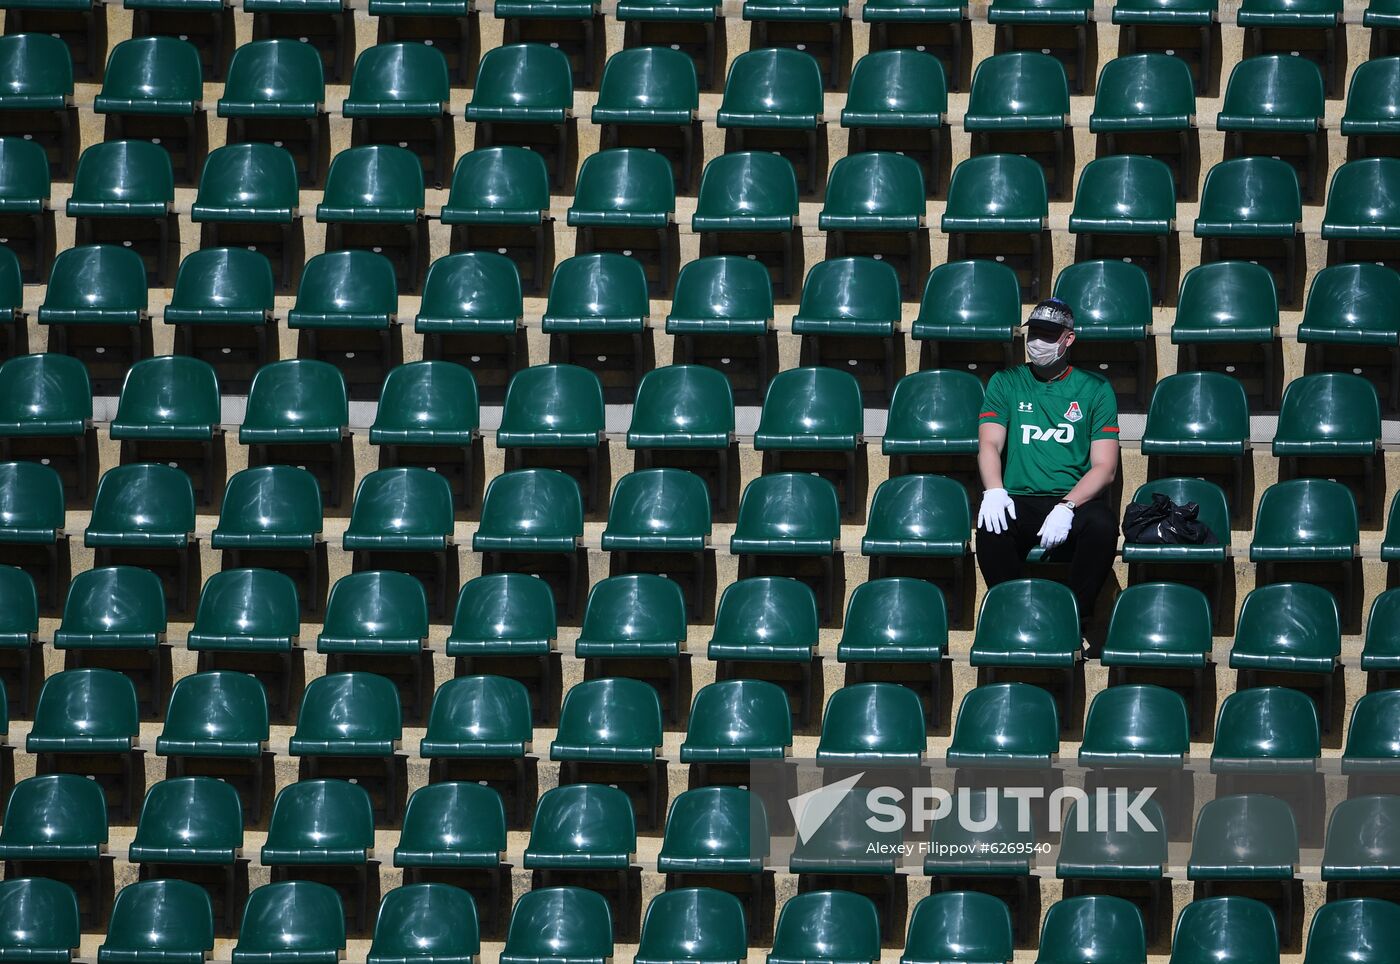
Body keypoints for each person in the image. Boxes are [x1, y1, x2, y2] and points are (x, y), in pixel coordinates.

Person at [974, 297, 1120, 625]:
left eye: (1048, 335)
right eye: (1033, 333)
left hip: (1071, 501)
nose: (1037, 342)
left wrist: (1067, 506)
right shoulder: (1006, 381)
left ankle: (1075, 621)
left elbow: (1104, 467)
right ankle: (1011, 617)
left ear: (1068, 339)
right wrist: (994, 491)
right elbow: (989, 443)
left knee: (1102, 524)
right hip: (1019, 499)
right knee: (990, 525)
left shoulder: (1095, 389)